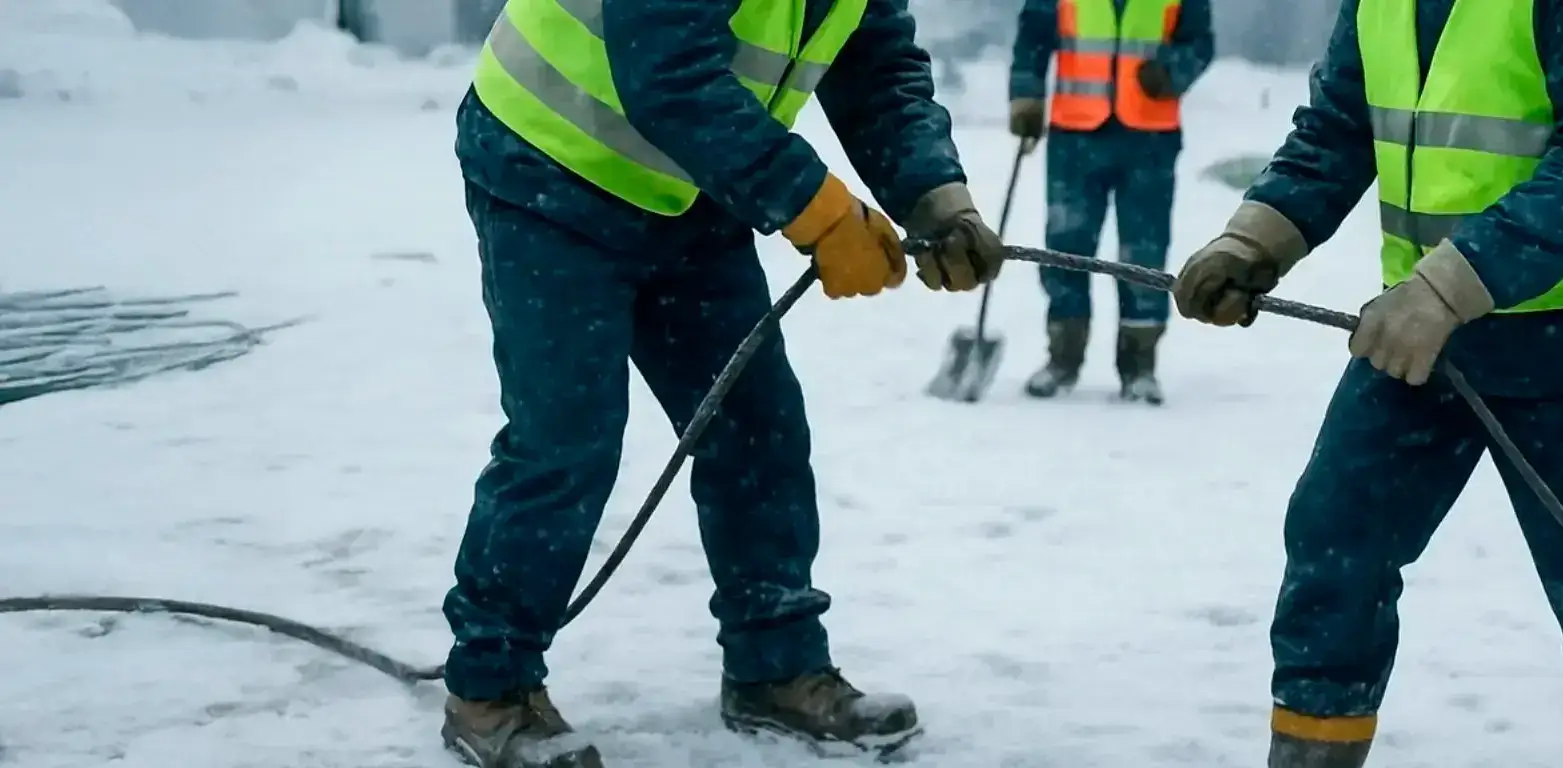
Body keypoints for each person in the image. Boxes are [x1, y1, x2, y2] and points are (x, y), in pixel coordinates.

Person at [440, 0, 1007, 765]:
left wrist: (934, 192)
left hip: (690, 185)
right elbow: (666, 71)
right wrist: (821, 211)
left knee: (756, 425)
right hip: (550, 163)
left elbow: (874, 63)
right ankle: (490, 688)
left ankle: (774, 665)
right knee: (565, 439)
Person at [1170, 0, 1563, 765]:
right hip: (1417, 338)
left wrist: (1446, 289)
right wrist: (1257, 236)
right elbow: (1339, 124)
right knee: (1336, 550)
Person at [1008, 0, 1216, 404]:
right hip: (1075, 133)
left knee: (1144, 252)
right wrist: (1026, 98)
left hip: (1150, 137)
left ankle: (1139, 366)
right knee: (1066, 246)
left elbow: (1200, 43)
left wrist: (1172, 72)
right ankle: (1062, 358)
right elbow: (1033, 37)